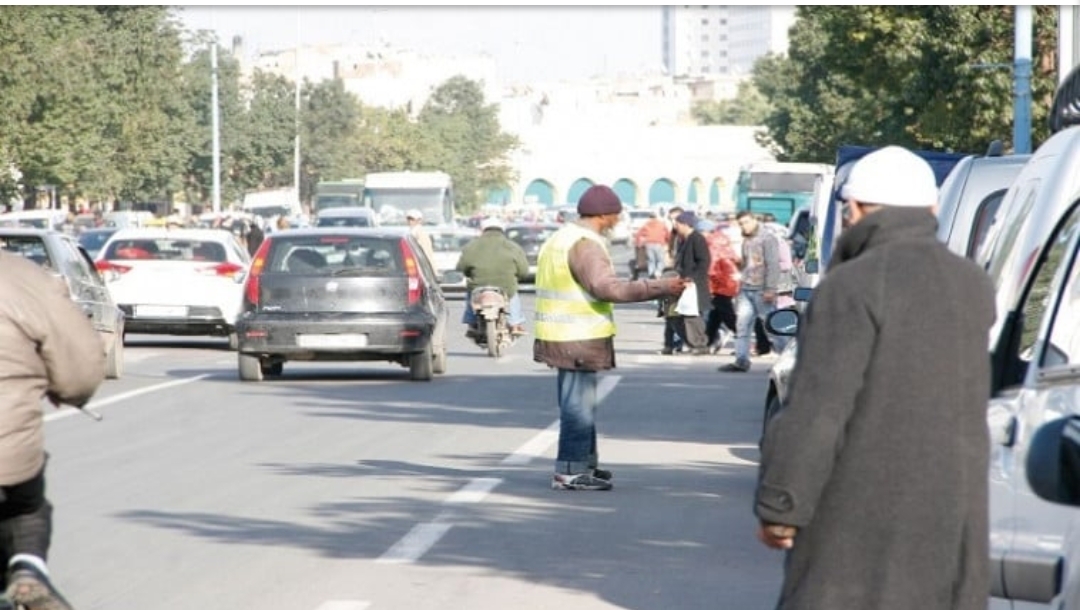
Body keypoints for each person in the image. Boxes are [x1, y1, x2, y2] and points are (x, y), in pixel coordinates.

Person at [754, 146, 995, 610]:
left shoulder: (850, 286)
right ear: (932, 209)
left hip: (856, 522)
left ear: (855, 211)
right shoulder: (971, 284)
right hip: (953, 517)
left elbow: (817, 412)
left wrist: (780, 507)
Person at [534, 185, 686, 491]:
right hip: (577, 335)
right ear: (604, 215)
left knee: (580, 403)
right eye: (616, 214)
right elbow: (608, 289)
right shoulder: (585, 244)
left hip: (560, 334)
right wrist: (661, 287)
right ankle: (570, 470)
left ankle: (584, 463)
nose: (618, 219)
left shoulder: (561, 237)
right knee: (577, 406)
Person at [0, 250, 106, 610]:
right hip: (6, 454)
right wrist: (70, 392)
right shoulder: (20, 276)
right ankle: (28, 569)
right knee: (26, 507)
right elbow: (81, 363)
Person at [719, 211, 786, 372]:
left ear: (754, 220)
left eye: (746, 222)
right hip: (746, 288)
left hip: (762, 289)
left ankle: (786, 361)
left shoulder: (767, 238)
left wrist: (770, 288)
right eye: (741, 223)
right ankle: (741, 360)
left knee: (771, 327)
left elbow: (773, 265)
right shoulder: (747, 240)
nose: (744, 226)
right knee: (742, 326)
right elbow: (746, 263)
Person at [456, 216, 530, 336]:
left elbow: (461, 267)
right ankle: (515, 323)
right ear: (502, 230)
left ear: (483, 230)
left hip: (478, 287)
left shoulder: (472, 246)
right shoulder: (512, 247)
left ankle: (471, 322)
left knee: (471, 293)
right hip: (506, 287)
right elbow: (523, 270)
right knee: (513, 293)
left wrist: (470, 273)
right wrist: (517, 277)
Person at [670, 211, 711, 355]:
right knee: (676, 317)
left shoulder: (697, 239)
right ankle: (691, 343)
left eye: (677, 223)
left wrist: (692, 279)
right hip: (683, 282)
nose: (675, 226)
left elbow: (704, 261)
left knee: (692, 316)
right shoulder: (684, 239)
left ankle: (700, 344)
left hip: (694, 284)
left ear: (685, 224)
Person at [634, 210, 670, 279]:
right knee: (660, 260)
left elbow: (638, 234)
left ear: (649, 217)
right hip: (659, 243)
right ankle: (658, 272)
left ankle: (651, 274)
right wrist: (667, 241)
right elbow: (668, 234)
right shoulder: (661, 224)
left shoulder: (646, 224)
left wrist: (638, 243)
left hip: (649, 244)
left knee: (651, 260)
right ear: (656, 217)